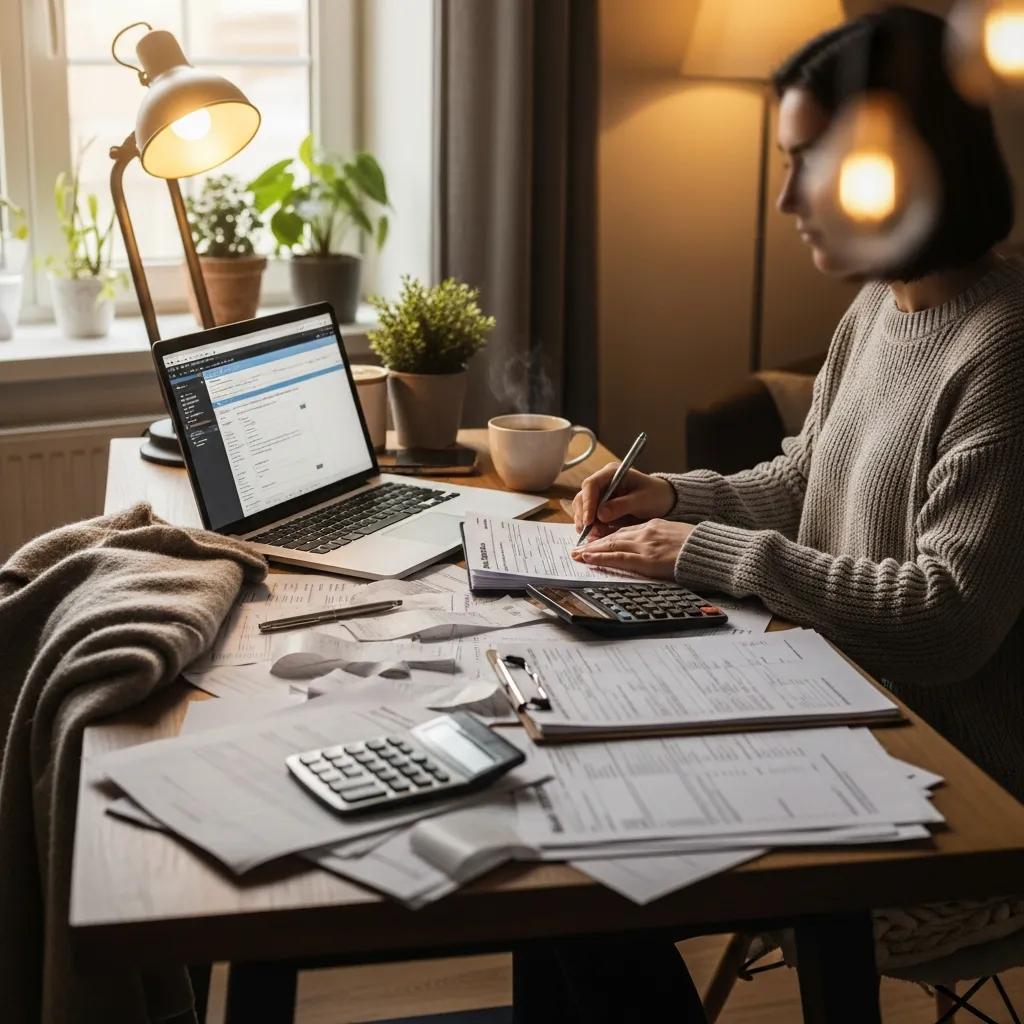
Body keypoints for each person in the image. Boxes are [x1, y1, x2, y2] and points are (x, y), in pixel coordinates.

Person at [572, 5, 1024, 806]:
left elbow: (947, 617)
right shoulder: (882, 306)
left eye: (811, 161)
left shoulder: (1004, 350)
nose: (786, 198)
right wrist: (673, 496)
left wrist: (702, 550)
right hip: (835, 703)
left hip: (949, 781)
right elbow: (803, 483)